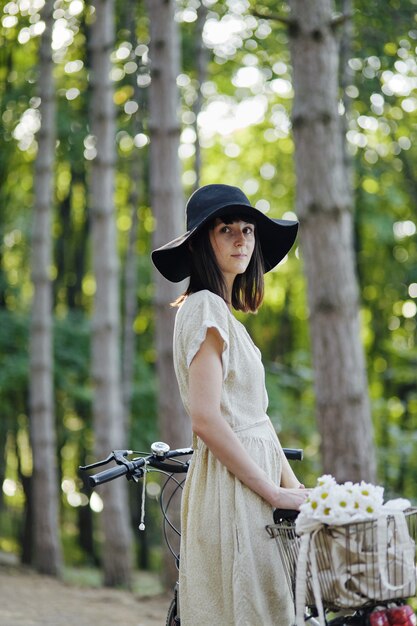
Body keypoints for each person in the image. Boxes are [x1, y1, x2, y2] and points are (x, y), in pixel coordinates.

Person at [152, 184, 309, 625]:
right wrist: (272, 490)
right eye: (227, 230)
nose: (242, 239)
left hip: (255, 486)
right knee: (246, 609)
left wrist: (291, 486)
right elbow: (206, 418)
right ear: (205, 241)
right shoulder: (203, 308)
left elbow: (255, 420)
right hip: (236, 490)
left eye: (248, 230)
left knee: (271, 607)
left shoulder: (224, 314)